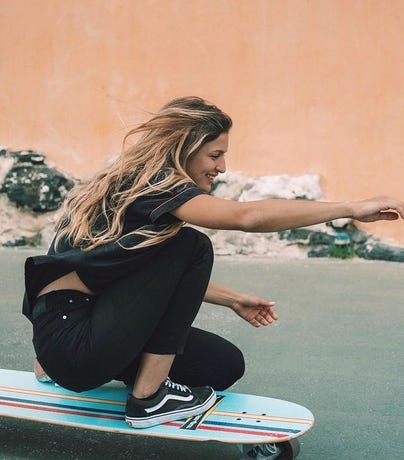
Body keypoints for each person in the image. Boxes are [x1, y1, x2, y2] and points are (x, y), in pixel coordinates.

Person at [23, 96, 404, 431]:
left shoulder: (130, 187)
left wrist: (232, 299)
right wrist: (351, 208)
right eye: (215, 154)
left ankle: (67, 367)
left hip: (68, 338)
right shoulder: (158, 186)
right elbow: (247, 217)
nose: (222, 168)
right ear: (184, 150)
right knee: (192, 245)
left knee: (221, 365)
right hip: (75, 340)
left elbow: (139, 282)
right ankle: (149, 399)